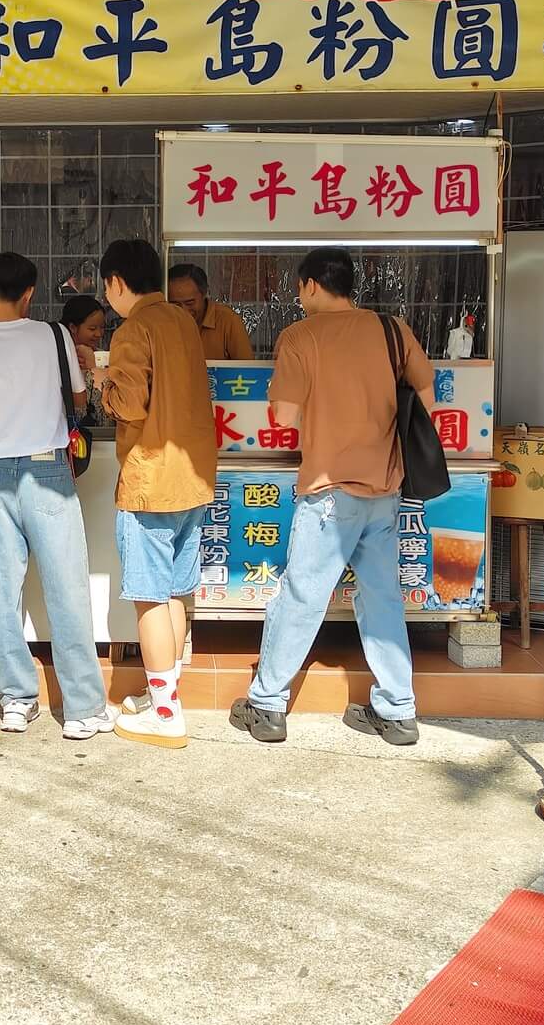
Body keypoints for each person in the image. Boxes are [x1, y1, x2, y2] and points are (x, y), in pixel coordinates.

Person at [231, 248, 435, 748]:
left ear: (311, 285)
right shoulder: (392, 329)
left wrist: (324, 419)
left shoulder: (300, 336)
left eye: (300, 288)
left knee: (303, 595)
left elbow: (281, 414)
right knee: (383, 599)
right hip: (385, 491)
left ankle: (268, 704)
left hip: (328, 494)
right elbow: (427, 399)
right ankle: (399, 711)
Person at [0, 253, 110, 740]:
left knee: (1, 591)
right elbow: (78, 401)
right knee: (68, 590)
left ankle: (15, 700)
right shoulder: (55, 336)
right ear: (31, 293)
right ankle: (82, 708)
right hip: (49, 471)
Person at [90, 239, 218, 750]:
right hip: (192, 476)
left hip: (149, 481)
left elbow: (131, 407)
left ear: (118, 283)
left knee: (149, 597)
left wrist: (102, 380)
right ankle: (164, 694)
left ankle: (166, 714)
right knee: (176, 593)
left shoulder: (131, 329)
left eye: (107, 288)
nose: (108, 297)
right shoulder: (182, 320)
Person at [167, 264, 255, 361]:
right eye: (175, 304)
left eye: (190, 303)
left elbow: (247, 369)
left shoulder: (228, 321)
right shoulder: (162, 321)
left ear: (205, 293)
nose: (183, 311)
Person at [59, 294, 106, 416]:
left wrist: (95, 364)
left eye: (102, 328)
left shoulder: (104, 357)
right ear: (73, 327)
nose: (99, 334)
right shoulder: (58, 357)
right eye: (92, 328)